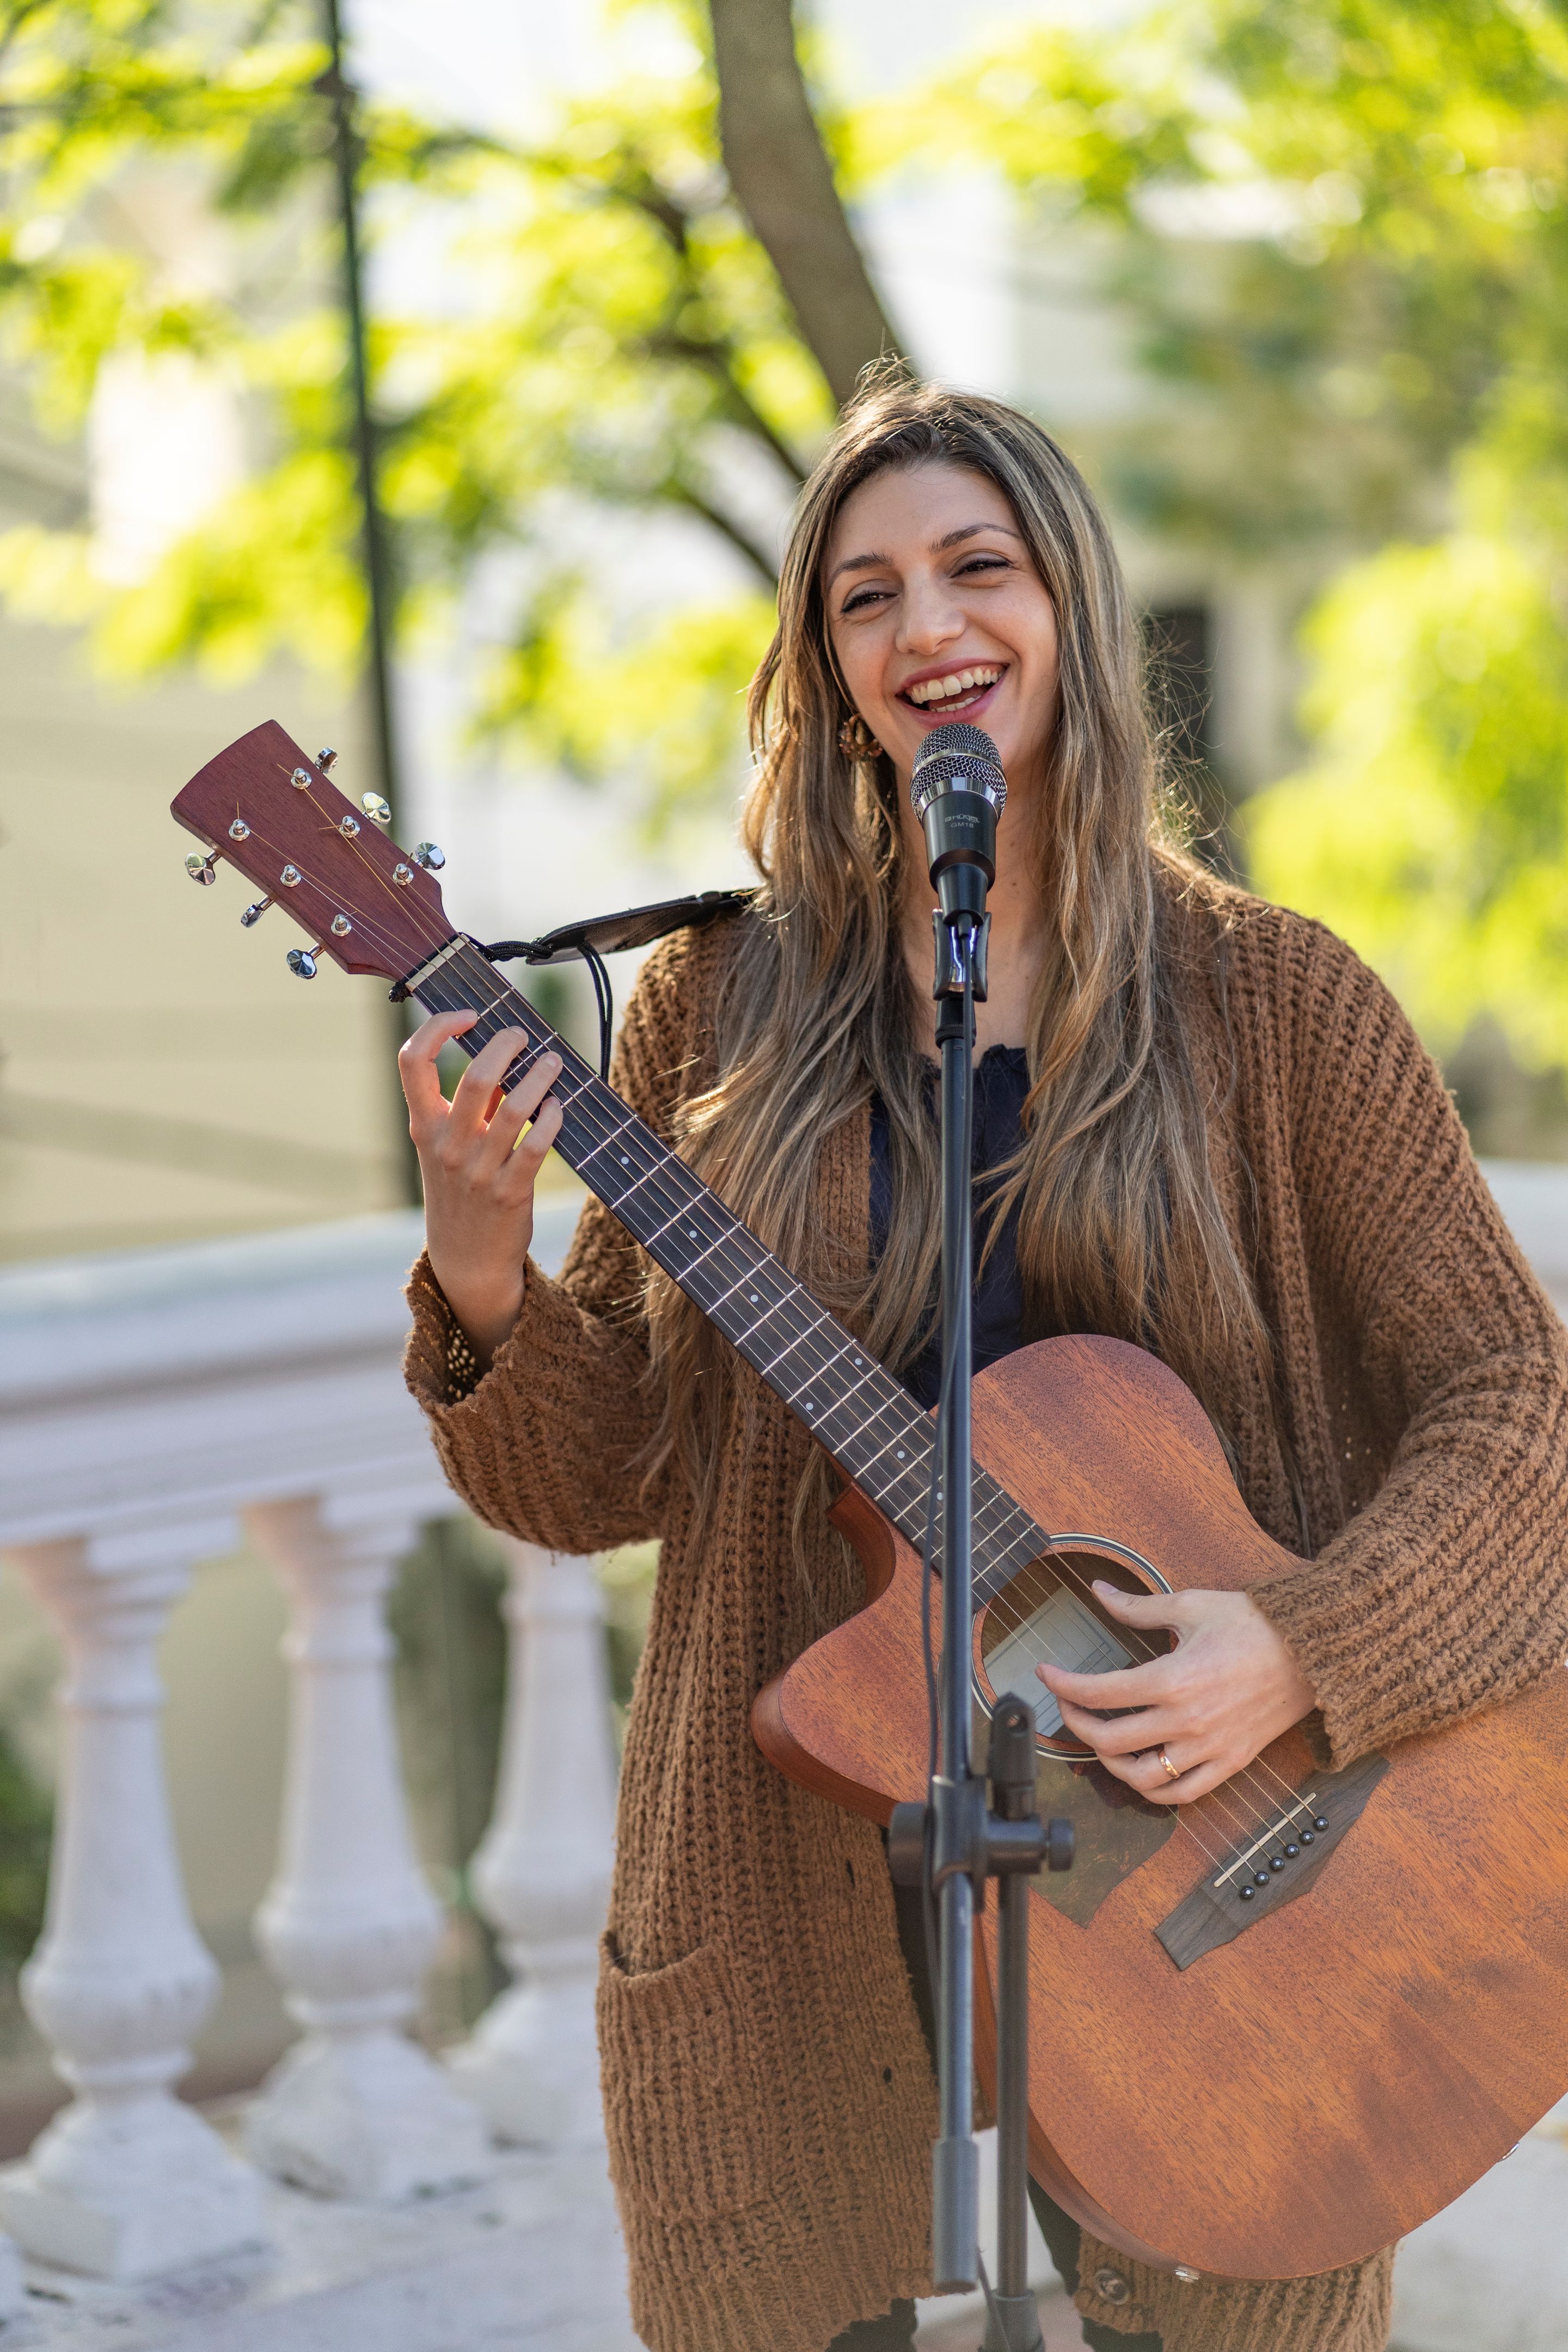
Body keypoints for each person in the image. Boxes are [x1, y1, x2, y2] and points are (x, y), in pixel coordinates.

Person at [397, 380, 1568, 2352]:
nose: (926, 627)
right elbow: (590, 1485)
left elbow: (1522, 1410)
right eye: (864, 597)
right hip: (808, 1920)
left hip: (1233, 1927)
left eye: (975, 567)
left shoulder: (1279, 1003)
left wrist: (1306, 1645)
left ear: (1071, 608)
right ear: (824, 663)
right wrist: (480, 1256)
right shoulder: (717, 1003)